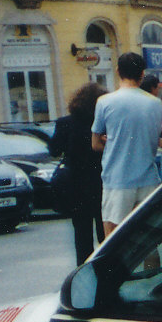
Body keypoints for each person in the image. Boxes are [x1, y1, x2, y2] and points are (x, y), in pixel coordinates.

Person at [91, 51, 162, 237]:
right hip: (149, 180)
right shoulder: (156, 104)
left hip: (117, 181)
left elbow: (95, 144)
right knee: (148, 243)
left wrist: (110, 142)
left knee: (113, 241)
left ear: (117, 71)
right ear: (142, 74)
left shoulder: (104, 102)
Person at [49, 82, 106, 264]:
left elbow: (53, 150)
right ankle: (105, 268)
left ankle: (83, 272)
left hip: (76, 184)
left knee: (82, 234)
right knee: (105, 231)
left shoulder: (65, 123)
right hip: (102, 182)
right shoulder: (103, 123)